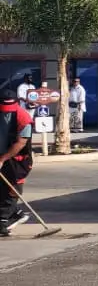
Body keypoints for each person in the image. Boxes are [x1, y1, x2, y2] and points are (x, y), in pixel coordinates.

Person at [0, 87, 34, 234]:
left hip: (18, 159)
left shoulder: (24, 117)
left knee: (12, 188)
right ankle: (16, 214)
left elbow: (21, 143)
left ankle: (3, 220)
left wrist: (2, 159)